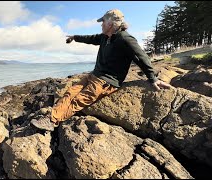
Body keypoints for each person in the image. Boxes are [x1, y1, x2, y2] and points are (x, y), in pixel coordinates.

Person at [31, 9, 173, 131]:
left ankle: (52, 120)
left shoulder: (125, 39)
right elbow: (91, 38)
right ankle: (53, 115)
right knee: (70, 92)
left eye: (103, 22)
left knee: (78, 100)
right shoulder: (106, 36)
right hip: (94, 75)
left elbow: (141, 57)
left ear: (110, 24)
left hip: (106, 82)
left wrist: (152, 78)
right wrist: (75, 37)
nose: (101, 24)